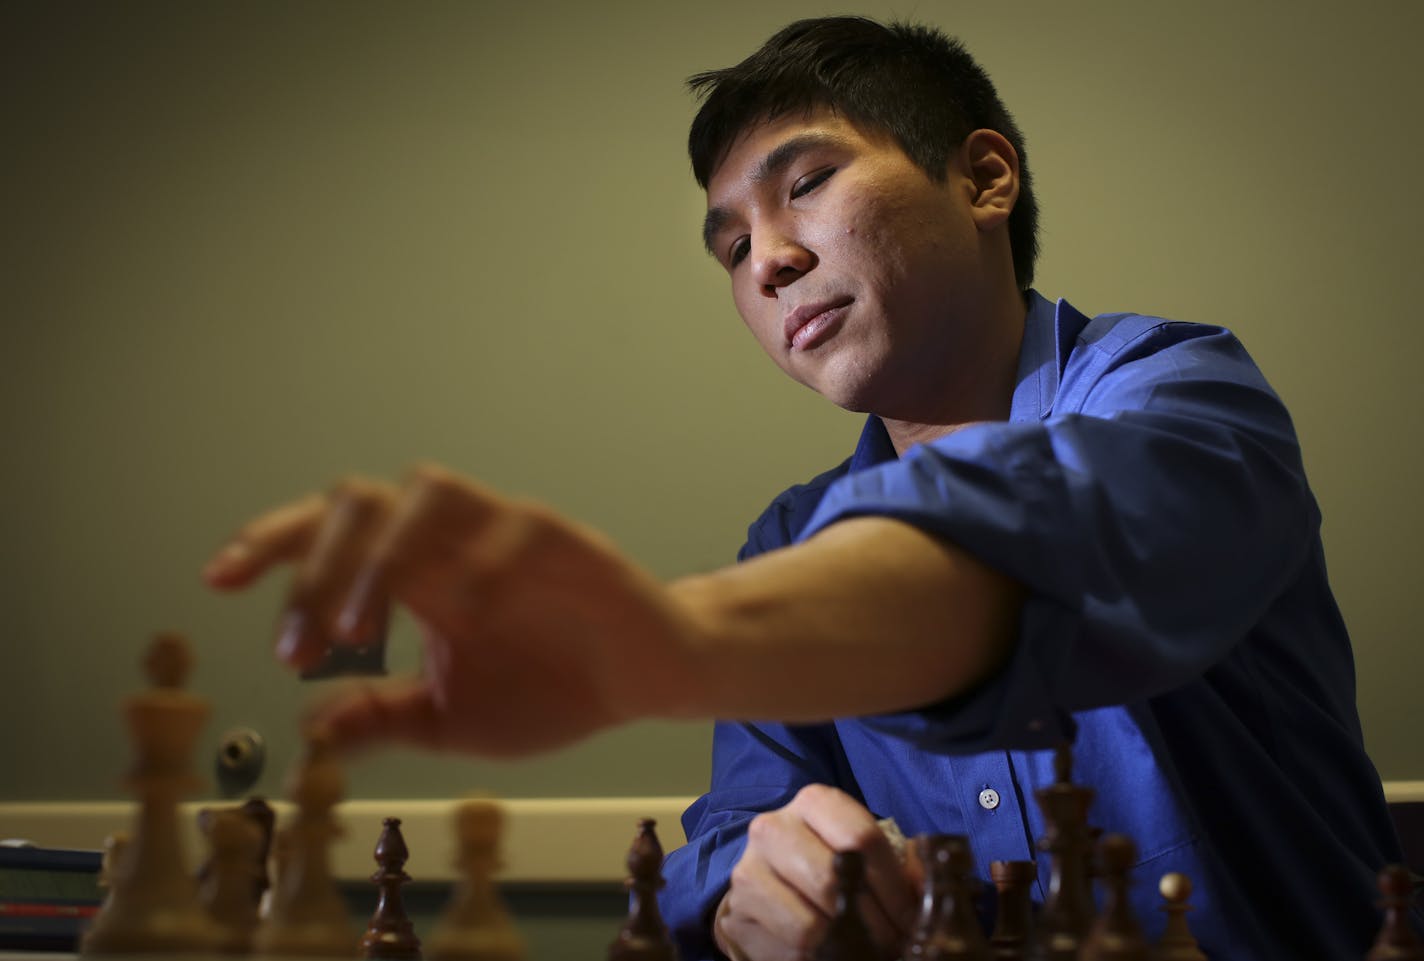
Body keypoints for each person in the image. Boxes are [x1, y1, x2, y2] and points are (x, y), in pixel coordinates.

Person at [203, 15, 1408, 961]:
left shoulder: (1180, 389)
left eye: (807, 184)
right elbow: (727, 827)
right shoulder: (783, 541)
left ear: (983, 179)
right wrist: (748, 886)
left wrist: (665, 643)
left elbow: (1063, 526)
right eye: (729, 247)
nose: (768, 259)